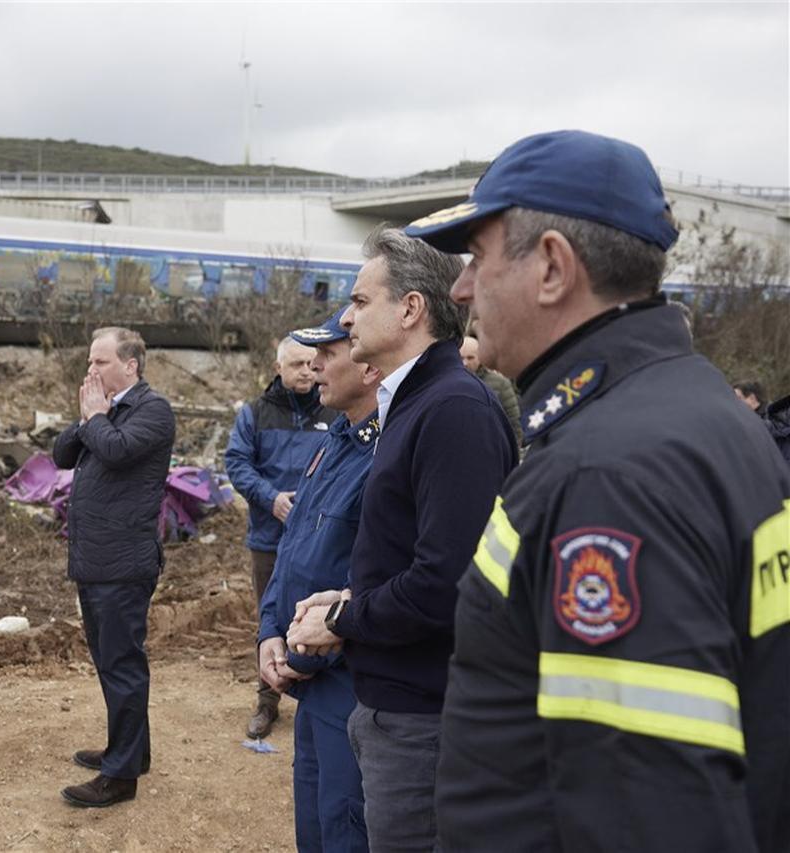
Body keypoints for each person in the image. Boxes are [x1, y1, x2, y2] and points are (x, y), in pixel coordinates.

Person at [402, 129, 790, 851]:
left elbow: (651, 813)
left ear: (552, 267)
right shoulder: (700, 409)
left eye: (478, 259)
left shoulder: (604, 475)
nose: (460, 289)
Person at [286, 229, 517, 853]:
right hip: (397, 701)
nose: (345, 316)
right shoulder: (416, 404)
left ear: (410, 309)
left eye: (360, 302)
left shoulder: (451, 410)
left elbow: (449, 585)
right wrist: (349, 596)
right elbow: (418, 554)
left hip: (423, 716)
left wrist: (345, 615)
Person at [257, 307, 381, 853]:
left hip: (344, 680)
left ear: (369, 368)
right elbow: (293, 553)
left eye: (329, 354)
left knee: (345, 827)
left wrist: (300, 657)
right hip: (307, 673)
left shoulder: (386, 453)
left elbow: (367, 577)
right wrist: (269, 632)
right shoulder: (336, 440)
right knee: (313, 823)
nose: (315, 366)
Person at [52, 327, 176, 808]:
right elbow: (62, 455)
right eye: (89, 362)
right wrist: (88, 417)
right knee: (110, 662)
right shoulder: (103, 412)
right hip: (95, 559)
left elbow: (118, 450)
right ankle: (130, 750)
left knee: (123, 665)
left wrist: (98, 418)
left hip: (123, 564)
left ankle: (120, 777)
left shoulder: (153, 410)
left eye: (100, 362)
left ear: (131, 366)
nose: (91, 371)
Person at [226, 336, 335, 739]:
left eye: (311, 364)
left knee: (322, 615)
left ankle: (318, 699)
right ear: (279, 369)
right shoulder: (254, 413)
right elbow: (236, 463)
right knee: (269, 618)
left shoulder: (334, 409)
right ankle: (267, 700)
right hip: (269, 536)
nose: (306, 371)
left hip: (321, 538)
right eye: (297, 366)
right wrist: (271, 499)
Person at [459, 334, 522, 445]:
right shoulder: (447, 384)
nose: (465, 363)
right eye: (461, 358)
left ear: (479, 358)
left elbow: (514, 423)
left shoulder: (500, 384)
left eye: (470, 358)